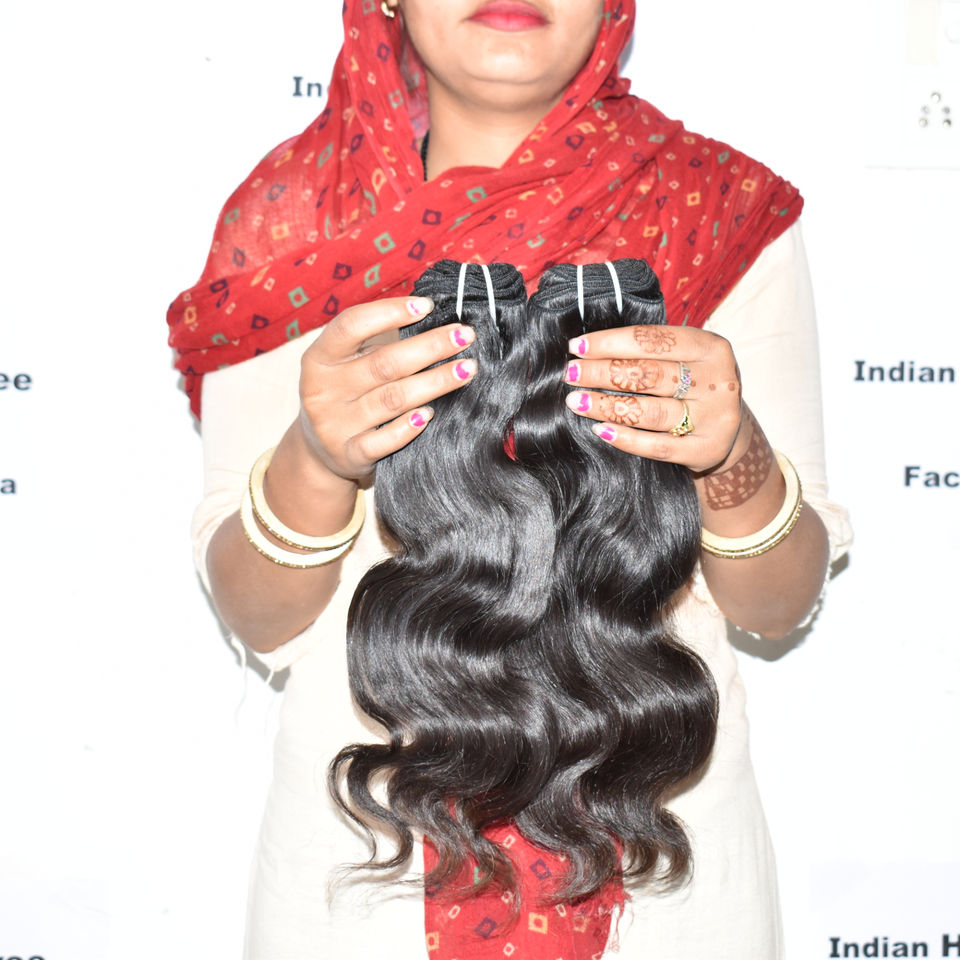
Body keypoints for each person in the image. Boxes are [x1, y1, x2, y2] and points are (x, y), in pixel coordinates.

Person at [168, 1, 852, 957]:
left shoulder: (718, 210)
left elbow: (778, 603)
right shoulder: (294, 226)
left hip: (665, 860)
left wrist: (731, 450)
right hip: (365, 864)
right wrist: (317, 456)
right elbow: (259, 617)